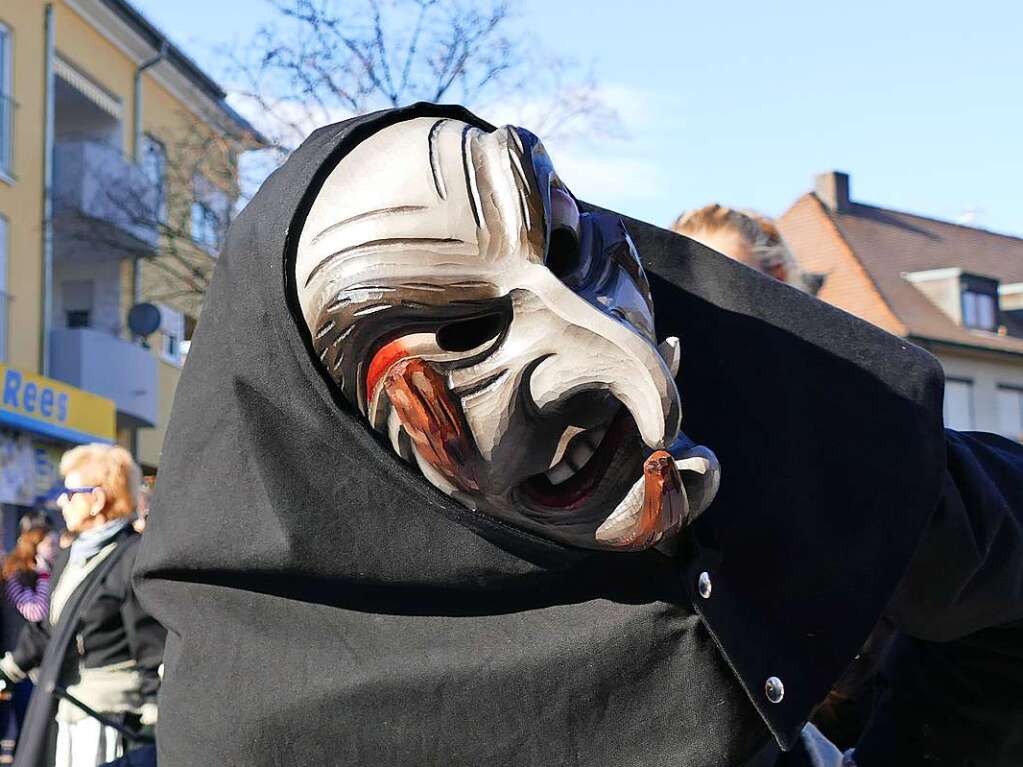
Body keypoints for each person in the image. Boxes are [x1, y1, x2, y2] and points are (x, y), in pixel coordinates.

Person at [134, 103, 1023, 766]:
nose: (621, 364)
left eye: (564, 248)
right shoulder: (263, 729)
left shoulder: (717, 521)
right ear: (340, 438)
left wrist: (885, 493)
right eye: (464, 334)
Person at [0, 445, 165, 767]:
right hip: (65, 711)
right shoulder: (70, 558)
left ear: (98, 501)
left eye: (71, 493)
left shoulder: (133, 557)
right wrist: (6, 672)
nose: (62, 501)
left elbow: (152, 652)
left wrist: (153, 722)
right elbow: (47, 629)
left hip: (112, 721)